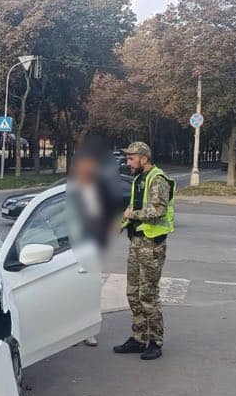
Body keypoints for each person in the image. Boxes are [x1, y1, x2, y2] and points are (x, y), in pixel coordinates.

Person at [113, 142, 175, 360]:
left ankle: (155, 341)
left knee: (148, 295)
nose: (128, 163)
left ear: (144, 158)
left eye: (131, 159)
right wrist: (120, 225)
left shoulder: (157, 179)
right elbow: (132, 208)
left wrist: (132, 215)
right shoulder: (139, 179)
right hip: (137, 242)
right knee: (133, 293)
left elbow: (159, 210)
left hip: (152, 245)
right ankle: (139, 337)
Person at [68, 136, 128, 347]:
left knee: (91, 289)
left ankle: (87, 330)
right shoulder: (71, 191)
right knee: (69, 288)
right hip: (69, 249)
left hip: (92, 247)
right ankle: (68, 329)